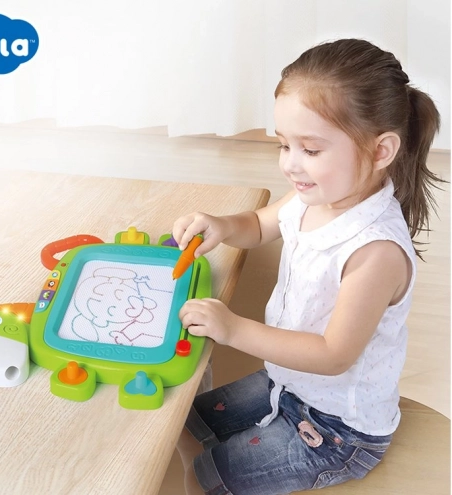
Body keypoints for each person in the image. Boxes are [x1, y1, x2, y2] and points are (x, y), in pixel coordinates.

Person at [173, 38, 444, 495]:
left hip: (337, 430)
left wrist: (233, 329)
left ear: (381, 151)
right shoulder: (315, 194)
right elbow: (260, 225)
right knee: (186, 420)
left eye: (311, 150)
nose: (291, 165)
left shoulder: (375, 251)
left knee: (206, 478)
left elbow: (333, 355)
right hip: (289, 381)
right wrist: (221, 225)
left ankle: (209, 476)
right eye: (284, 145)